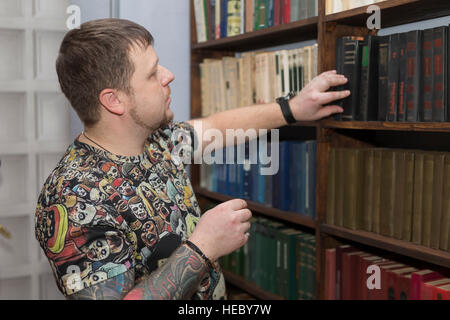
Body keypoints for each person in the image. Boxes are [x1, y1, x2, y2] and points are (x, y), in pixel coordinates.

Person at [34, 18, 349, 300]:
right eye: (152, 73)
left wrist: (293, 109)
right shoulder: (71, 197)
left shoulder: (159, 139)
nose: (168, 75)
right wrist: (204, 247)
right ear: (114, 100)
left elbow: (217, 127)